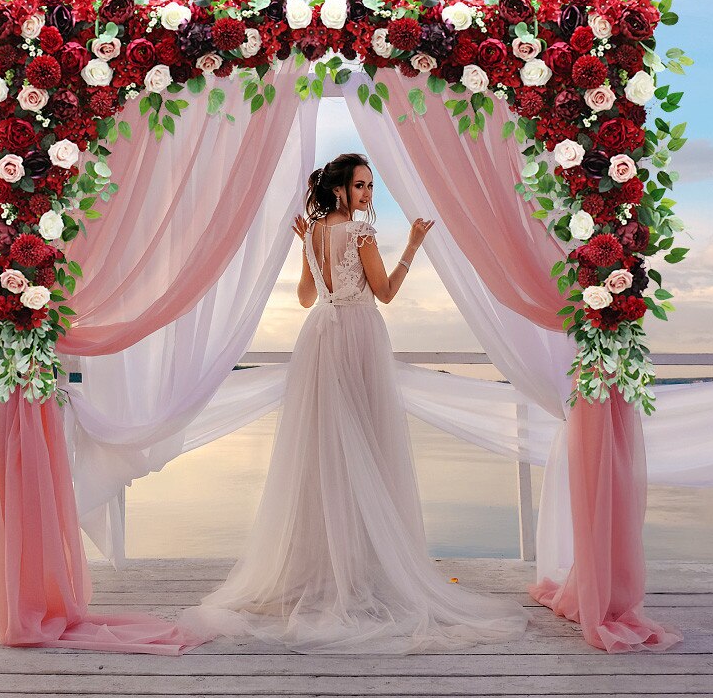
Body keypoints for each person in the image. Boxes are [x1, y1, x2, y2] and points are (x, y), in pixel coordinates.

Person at [180, 154, 529, 654]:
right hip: (359, 335)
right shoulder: (360, 233)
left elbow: (304, 298)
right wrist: (411, 246)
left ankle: (328, 569)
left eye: (370, 186)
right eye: (361, 185)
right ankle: (362, 571)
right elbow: (384, 293)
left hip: (320, 336)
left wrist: (309, 248)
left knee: (324, 456)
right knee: (367, 446)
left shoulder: (315, 233)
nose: (368, 194)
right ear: (339, 188)